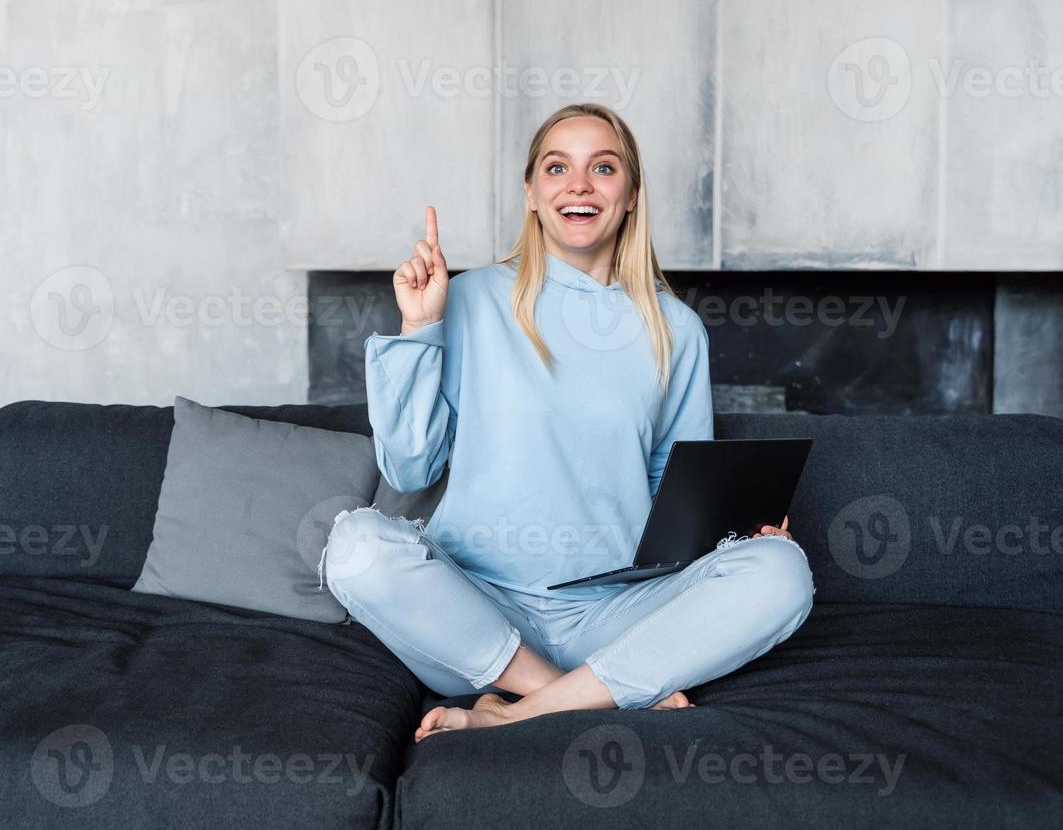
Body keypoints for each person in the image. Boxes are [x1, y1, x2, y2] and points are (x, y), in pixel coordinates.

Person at [318, 103, 814, 742]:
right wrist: (419, 327)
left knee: (782, 569)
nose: (579, 184)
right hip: (475, 610)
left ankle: (515, 711)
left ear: (630, 195)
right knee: (355, 546)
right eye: (558, 167)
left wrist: (737, 535)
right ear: (531, 192)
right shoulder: (467, 299)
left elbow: (676, 488)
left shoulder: (677, 331)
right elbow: (410, 466)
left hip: (613, 613)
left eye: (602, 168)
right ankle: (578, 691)